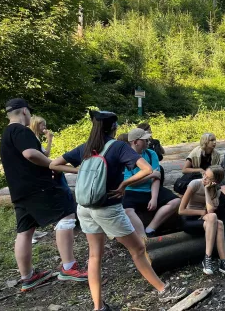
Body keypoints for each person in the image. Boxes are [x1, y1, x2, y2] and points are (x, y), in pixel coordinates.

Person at [50, 111, 188, 311]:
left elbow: (54, 164)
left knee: (94, 256)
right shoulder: (118, 147)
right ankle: (163, 291)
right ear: (113, 127)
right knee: (138, 249)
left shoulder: (86, 148)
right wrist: (124, 183)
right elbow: (147, 170)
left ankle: (98, 307)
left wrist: (78, 171)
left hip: (85, 208)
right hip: (108, 208)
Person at [0, 99, 87, 292]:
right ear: (24, 111)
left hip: (19, 191)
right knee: (66, 214)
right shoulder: (21, 131)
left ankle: (28, 277)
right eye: (29, 112)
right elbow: (31, 154)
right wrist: (51, 163)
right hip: (36, 187)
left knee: (25, 231)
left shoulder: (5, 134)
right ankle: (68, 267)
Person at [178, 166, 225, 276]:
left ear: (215, 182)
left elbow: (210, 210)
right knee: (215, 220)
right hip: (189, 219)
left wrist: (207, 190)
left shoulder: (217, 192)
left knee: (218, 222)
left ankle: (222, 262)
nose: (204, 178)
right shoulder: (194, 184)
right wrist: (201, 213)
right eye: (205, 174)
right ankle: (209, 258)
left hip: (207, 220)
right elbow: (181, 210)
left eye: (208, 178)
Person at [122, 128, 181, 238]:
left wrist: (154, 198)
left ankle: (150, 229)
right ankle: (142, 236)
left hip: (150, 189)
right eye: (144, 140)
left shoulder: (151, 154)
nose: (148, 141)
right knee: (127, 210)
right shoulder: (125, 157)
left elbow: (157, 177)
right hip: (132, 192)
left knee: (176, 201)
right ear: (136, 142)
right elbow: (129, 183)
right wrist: (151, 175)